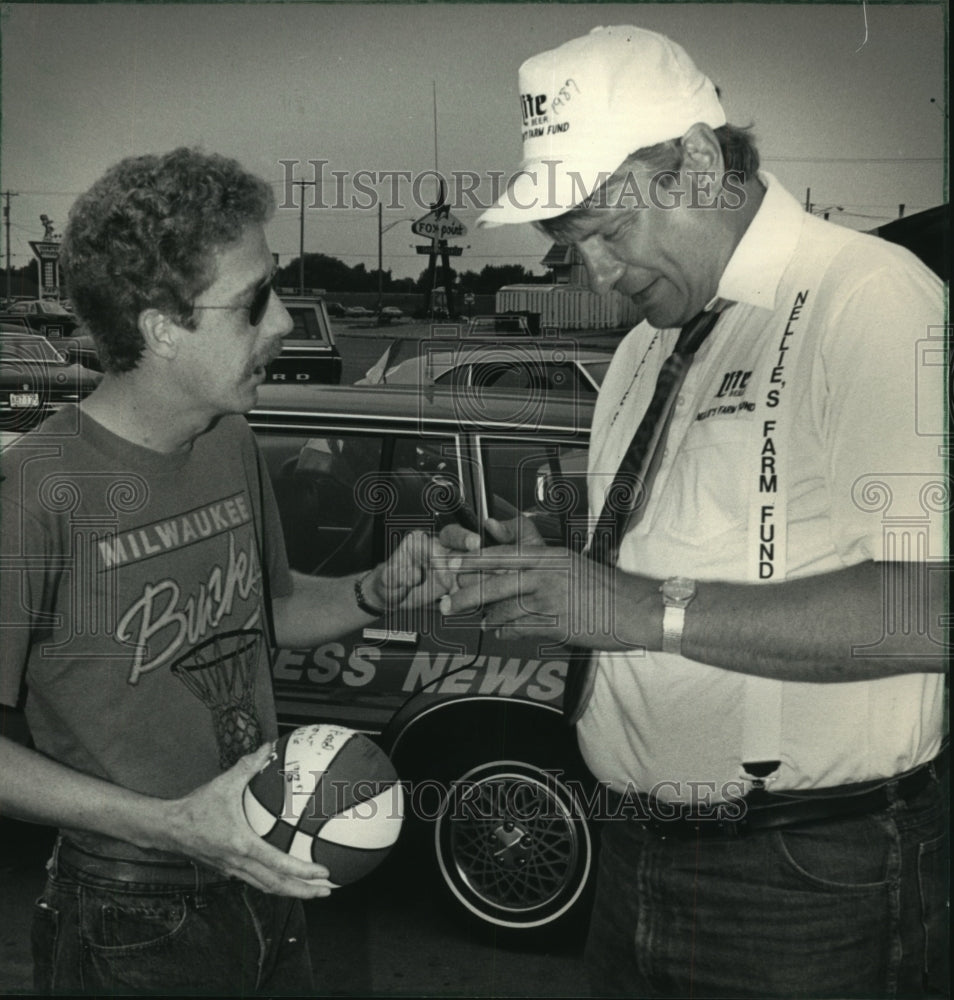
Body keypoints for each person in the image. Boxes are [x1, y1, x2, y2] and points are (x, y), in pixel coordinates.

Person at [440, 25, 949, 998]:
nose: (594, 274)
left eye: (608, 229)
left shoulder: (870, 299)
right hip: (633, 855)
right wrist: (548, 565)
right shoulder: (645, 346)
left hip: (806, 884)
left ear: (702, 165)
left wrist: (640, 609)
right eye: (570, 243)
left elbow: (929, 609)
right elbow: (684, 554)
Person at [0, 147, 453, 994]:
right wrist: (170, 826)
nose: (282, 322)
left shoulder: (229, 441)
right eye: (254, 303)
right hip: (126, 915)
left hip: (262, 879)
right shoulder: (36, 489)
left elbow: (269, 609)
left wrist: (372, 589)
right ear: (160, 327)